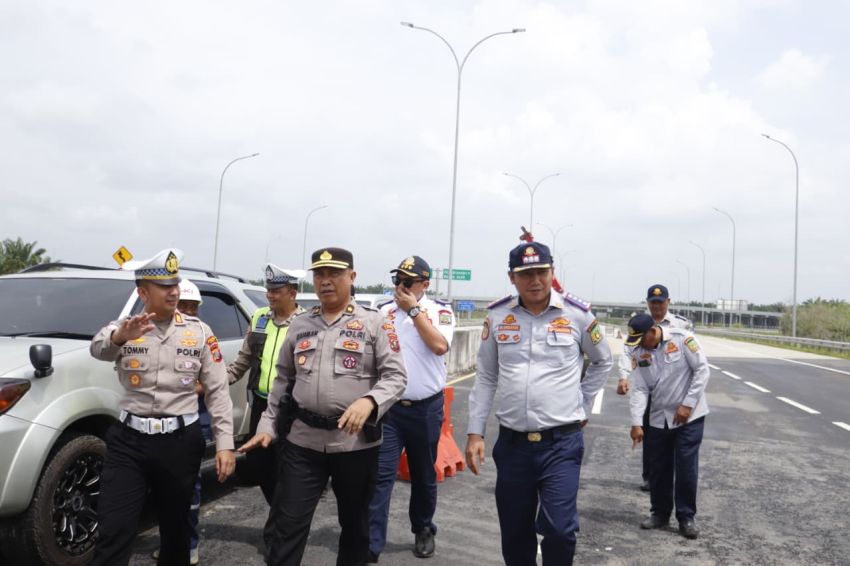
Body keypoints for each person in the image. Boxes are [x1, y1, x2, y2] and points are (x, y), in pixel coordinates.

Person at [239, 247, 407, 566]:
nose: (325, 282)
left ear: (352, 277)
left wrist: (370, 401)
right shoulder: (301, 324)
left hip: (355, 445)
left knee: (355, 528)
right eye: (319, 275)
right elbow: (282, 379)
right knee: (287, 526)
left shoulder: (375, 324)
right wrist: (267, 425)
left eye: (334, 274)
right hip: (303, 443)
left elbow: (396, 375)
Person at [465, 242, 613, 566]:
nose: (535, 280)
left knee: (560, 531)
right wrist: (475, 433)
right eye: (526, 274)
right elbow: (487, 377)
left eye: (541, 272)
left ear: (552, 273)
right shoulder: (498, 315)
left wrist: (583, 404)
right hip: (513, 444)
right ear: (512, 278)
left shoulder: (577, 314)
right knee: (515, 535)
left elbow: (603, 361)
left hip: (561, 444)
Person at [89, 249, 235, 566]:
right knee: (114, 529)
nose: (174, 291)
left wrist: (225, 443)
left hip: (179, 443)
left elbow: (217, 389)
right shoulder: (125, 328)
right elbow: (97, 349)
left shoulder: (198, 332)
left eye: (175, 284)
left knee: (176, 534)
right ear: (143, 292)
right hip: (129, 441)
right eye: (165, 286)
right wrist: (119, 337)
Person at [368, 256, 454, 562]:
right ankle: (372, 541)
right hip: (389, 409)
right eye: (397, 282)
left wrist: (413, 311)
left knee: (422, 475)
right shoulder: (383, 312)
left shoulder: (439, 311)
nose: (400, 288)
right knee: (380, 475)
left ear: (424, 285)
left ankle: (423, 529)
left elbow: (440, 346)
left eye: (407, 283)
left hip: (425, 409)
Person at [624, 313, 709, 539]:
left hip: (688, 417)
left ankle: (686, 517)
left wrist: (688, 404)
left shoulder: (683, 340)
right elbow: (641, 388)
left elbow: (702, 371)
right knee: (658, 467)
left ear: (653, 331)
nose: (641, 345)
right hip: (659, 416)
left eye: (642, 339)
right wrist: (636, 422)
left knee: (685, 467)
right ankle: (660, 513)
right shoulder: (640, 351)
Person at [227, 264, 306, 504]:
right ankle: (278, 510)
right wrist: (215, 382)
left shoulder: (306, 323)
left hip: (293, 409)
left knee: (288, 468)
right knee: (259, 465)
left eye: (276, 290)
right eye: (268, 290)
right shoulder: (260, 318)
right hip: (262, 405)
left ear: (292, 293)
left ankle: (283, 523)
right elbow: (243, 361)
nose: (270, 295)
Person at [152, 280, 211, 565]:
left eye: (193, 306)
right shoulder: (158, 332)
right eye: (183, 305)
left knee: (190, 487)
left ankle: (189, 545)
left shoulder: (200, 337)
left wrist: (189, 387)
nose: (188, 310)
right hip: (157, 425)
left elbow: (213, 381)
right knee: (163, 488)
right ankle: (172, 545)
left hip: (192, 420)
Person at [616, 284, 692, 491]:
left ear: (668, 302)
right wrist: (624, 376)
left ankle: (672, 475)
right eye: (653, 302)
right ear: (648, 303)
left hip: (672, 389)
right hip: (647, 385)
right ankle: (651, 475)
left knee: (676, 435)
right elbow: (627, 351)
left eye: (660, 302)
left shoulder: (680, 325)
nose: (656, 306)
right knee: (649, 432)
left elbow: (692, 355)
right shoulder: (638, 324)